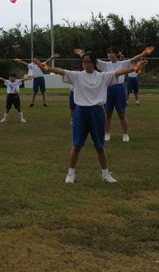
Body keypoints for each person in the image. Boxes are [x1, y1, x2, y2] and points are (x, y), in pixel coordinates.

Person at [43, 52, 148, 184]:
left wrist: (134, 68)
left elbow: (118, 72)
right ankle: (70, 174)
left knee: (99, 145)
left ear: (94, 63)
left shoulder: (102, 76)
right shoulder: (77, 75)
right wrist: (45, 67)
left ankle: (105, 174)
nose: (85, 64)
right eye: (84, 62)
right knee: (77, 145)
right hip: (81, 112)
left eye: (88, 62)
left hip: (97, 112)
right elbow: (61, 71)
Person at [84, 46, 154, 143]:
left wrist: (144, 53)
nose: (110, 55)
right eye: (108, 53)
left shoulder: (122, 63)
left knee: (121, 113)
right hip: (108, 89)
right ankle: (107, 133)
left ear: (116, 54)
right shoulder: (105, 64)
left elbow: (133, 59)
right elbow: (93, 59)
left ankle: (125, 134)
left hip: (119, 89)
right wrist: (83, 54)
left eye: (112, 53)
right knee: (108, 114)